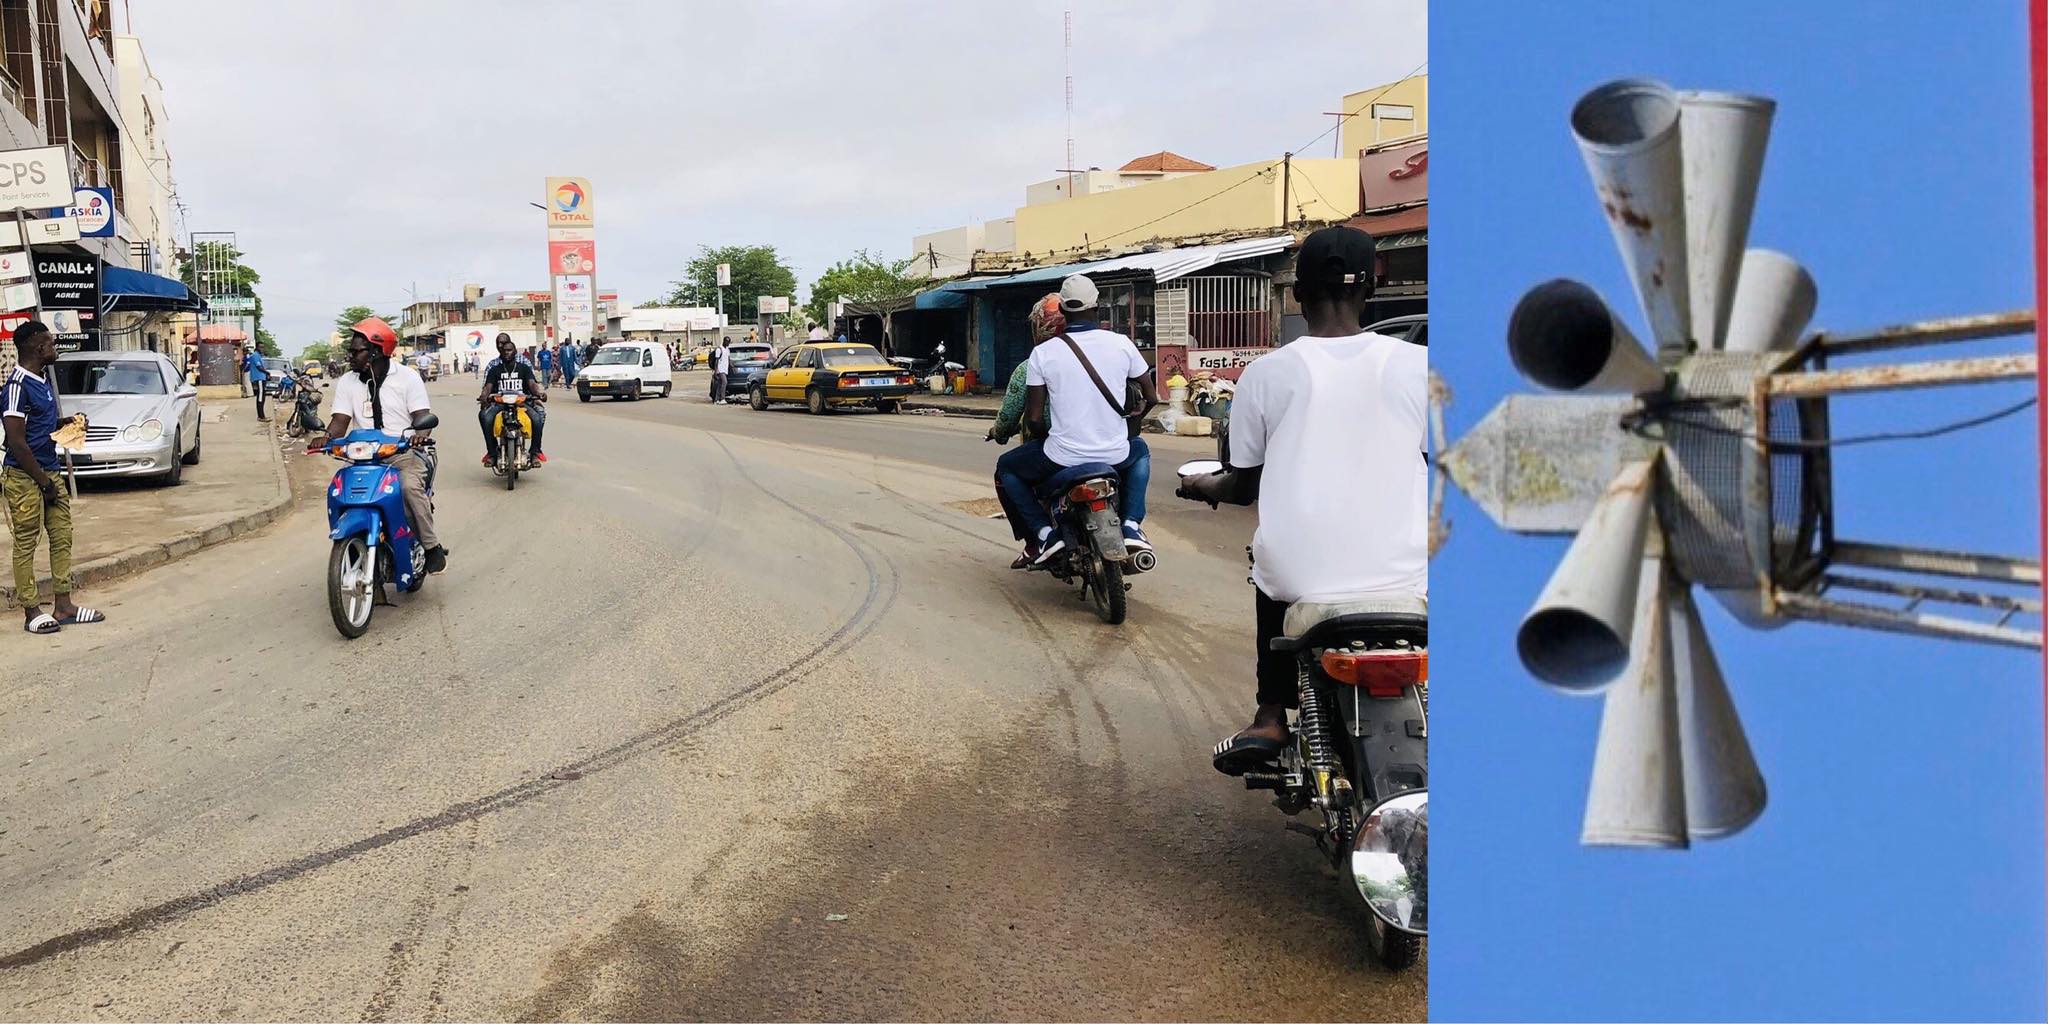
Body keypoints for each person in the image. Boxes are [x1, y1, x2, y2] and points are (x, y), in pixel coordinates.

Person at [1177, 225, 1426, 775]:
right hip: (1407, 573)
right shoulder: (1420, 366)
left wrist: (1201, 484)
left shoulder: (1265, 374)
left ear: (1296, 293)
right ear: (1372, 289)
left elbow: (1241, 486)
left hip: (1300, 575)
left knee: (1268, 567)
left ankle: (1270, 715)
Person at [995, 275, 1159, 566]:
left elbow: (1033, 418)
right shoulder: (1122, 344)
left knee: (1007, 468)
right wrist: (1132, 418)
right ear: (1097, 306)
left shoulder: (1041, 355)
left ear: (1064, 312)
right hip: (1116, 453)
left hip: (1063, 457)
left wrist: (1052, 437)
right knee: (1141, 451)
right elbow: (1152, 397)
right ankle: (1132, 524)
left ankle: (1045, 535)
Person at [309, 317, 449, 574]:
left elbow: (422, 416)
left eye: (355, 351)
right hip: (364, 456)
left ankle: (431, 547)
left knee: (407, 487)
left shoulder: (408, 378)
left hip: (402, 453)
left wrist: (418, 434)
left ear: (375, 351)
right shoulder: (348, 381)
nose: (349, 356)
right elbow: (340, 420)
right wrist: (327, 438)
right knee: (339, 490)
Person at [4, 320, 102, 634]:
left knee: (62, 536)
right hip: (24, 476)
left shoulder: (42, 380)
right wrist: (43, 482)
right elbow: (16, 440)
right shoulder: (16, 385)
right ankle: (32, 611)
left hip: (49, 471)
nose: (54, 348)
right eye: (51, 343)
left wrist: (67, 423)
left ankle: (63, 606)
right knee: (26, 542)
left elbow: (40, 429)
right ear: (38, 347)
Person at [478, 332, 547, 467]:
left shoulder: (524, 366)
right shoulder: (494, 368)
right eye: (503, 350)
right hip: (500, 403)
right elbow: (487, 387)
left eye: (509, 350)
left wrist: (539, 394)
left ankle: (535, 452)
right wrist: (484, 397)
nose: (506, 352)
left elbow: (532, 384)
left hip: (521, 402)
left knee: (538, 418)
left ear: (515, 351)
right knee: (485, 417)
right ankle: (492, 452)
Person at [242, 346, 270, 418]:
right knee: (260, 397)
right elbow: (259, 367)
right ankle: (261, 416)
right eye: (261, 347)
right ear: (257, 348)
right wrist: (267, 372)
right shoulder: (255, 356)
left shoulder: (259, 356)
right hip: (259, 378)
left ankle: (262, 415)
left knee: (263, 397)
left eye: (263, 347)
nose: (263, 349)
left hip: (262, 378)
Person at [709, 338, 731, 402]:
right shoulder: (719, 349)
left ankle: (716, 399)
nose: (728, 343)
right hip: (720, 369)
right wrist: (716, 371)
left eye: (729, 342)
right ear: (724, 341)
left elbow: (728, 360)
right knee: (724, 382)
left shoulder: (727, 349)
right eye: (727, 342)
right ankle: (722, 398)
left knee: (719, 384)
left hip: (725, 369)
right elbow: (716, 360)